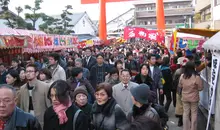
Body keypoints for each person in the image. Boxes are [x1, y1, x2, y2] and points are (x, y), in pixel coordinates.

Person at [179, 62, 203, 130]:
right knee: (194, 114)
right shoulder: (196, 77)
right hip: (194, 98)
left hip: (185, 97)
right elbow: (200, 88)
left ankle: (186, 128)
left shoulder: (182, 76)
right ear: (193, 67)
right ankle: (193, 128)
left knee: (186, 113)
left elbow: (180, 86)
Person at [174, 57, 189, 127]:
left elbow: (174, 81)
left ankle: (180, 121)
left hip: (179, 90)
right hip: (187, 90)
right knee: (186, 106)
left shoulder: (178, 71)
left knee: (180, 106)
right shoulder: (190, 72)